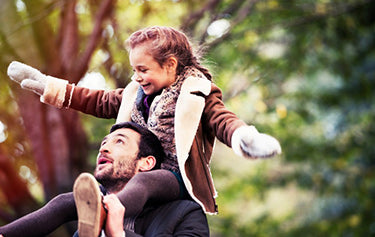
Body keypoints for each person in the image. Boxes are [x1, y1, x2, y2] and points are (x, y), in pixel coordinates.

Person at [7, 26, 282, 217]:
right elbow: (97, 100)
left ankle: (105, 213)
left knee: (144, 184)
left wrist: (244, 137)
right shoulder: (134, 94)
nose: (136, 76)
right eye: (133, 70)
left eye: (143, 69)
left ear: (171, 65)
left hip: (172, 178)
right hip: (134, 171)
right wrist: (48, 86)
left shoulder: (198, 94)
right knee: (65, 202)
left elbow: (222, 120)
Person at [0, 122, 209, 237]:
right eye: (104, 142)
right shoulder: (84, 231)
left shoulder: (185, 213)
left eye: (119, 142)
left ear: (146, 162)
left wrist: (118, 234)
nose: (104, 147)